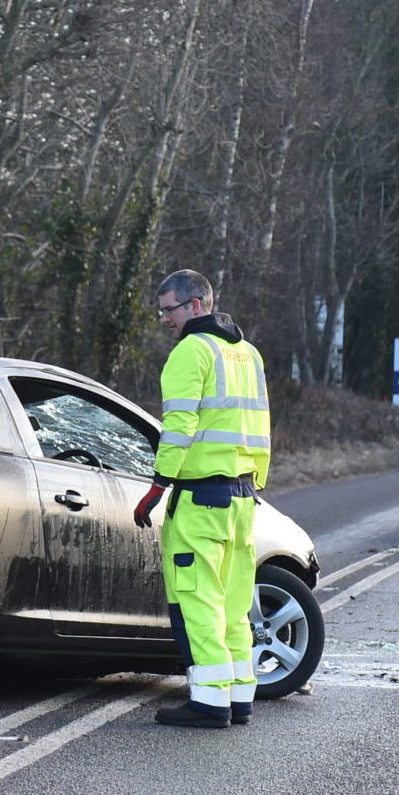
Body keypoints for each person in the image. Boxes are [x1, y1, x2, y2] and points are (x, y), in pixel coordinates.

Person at [133, 269, 270, 729]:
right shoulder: (247, 354)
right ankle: (239, 697)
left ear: (196, 305)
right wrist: (258, 482)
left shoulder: (190, 352)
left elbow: (179, 426)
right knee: (233, 604)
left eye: (168, 309)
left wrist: (158, 484)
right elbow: (261, 426)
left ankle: (210, 703)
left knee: (199, 600)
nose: (164, 319)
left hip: (200, 498)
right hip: (243, 497)